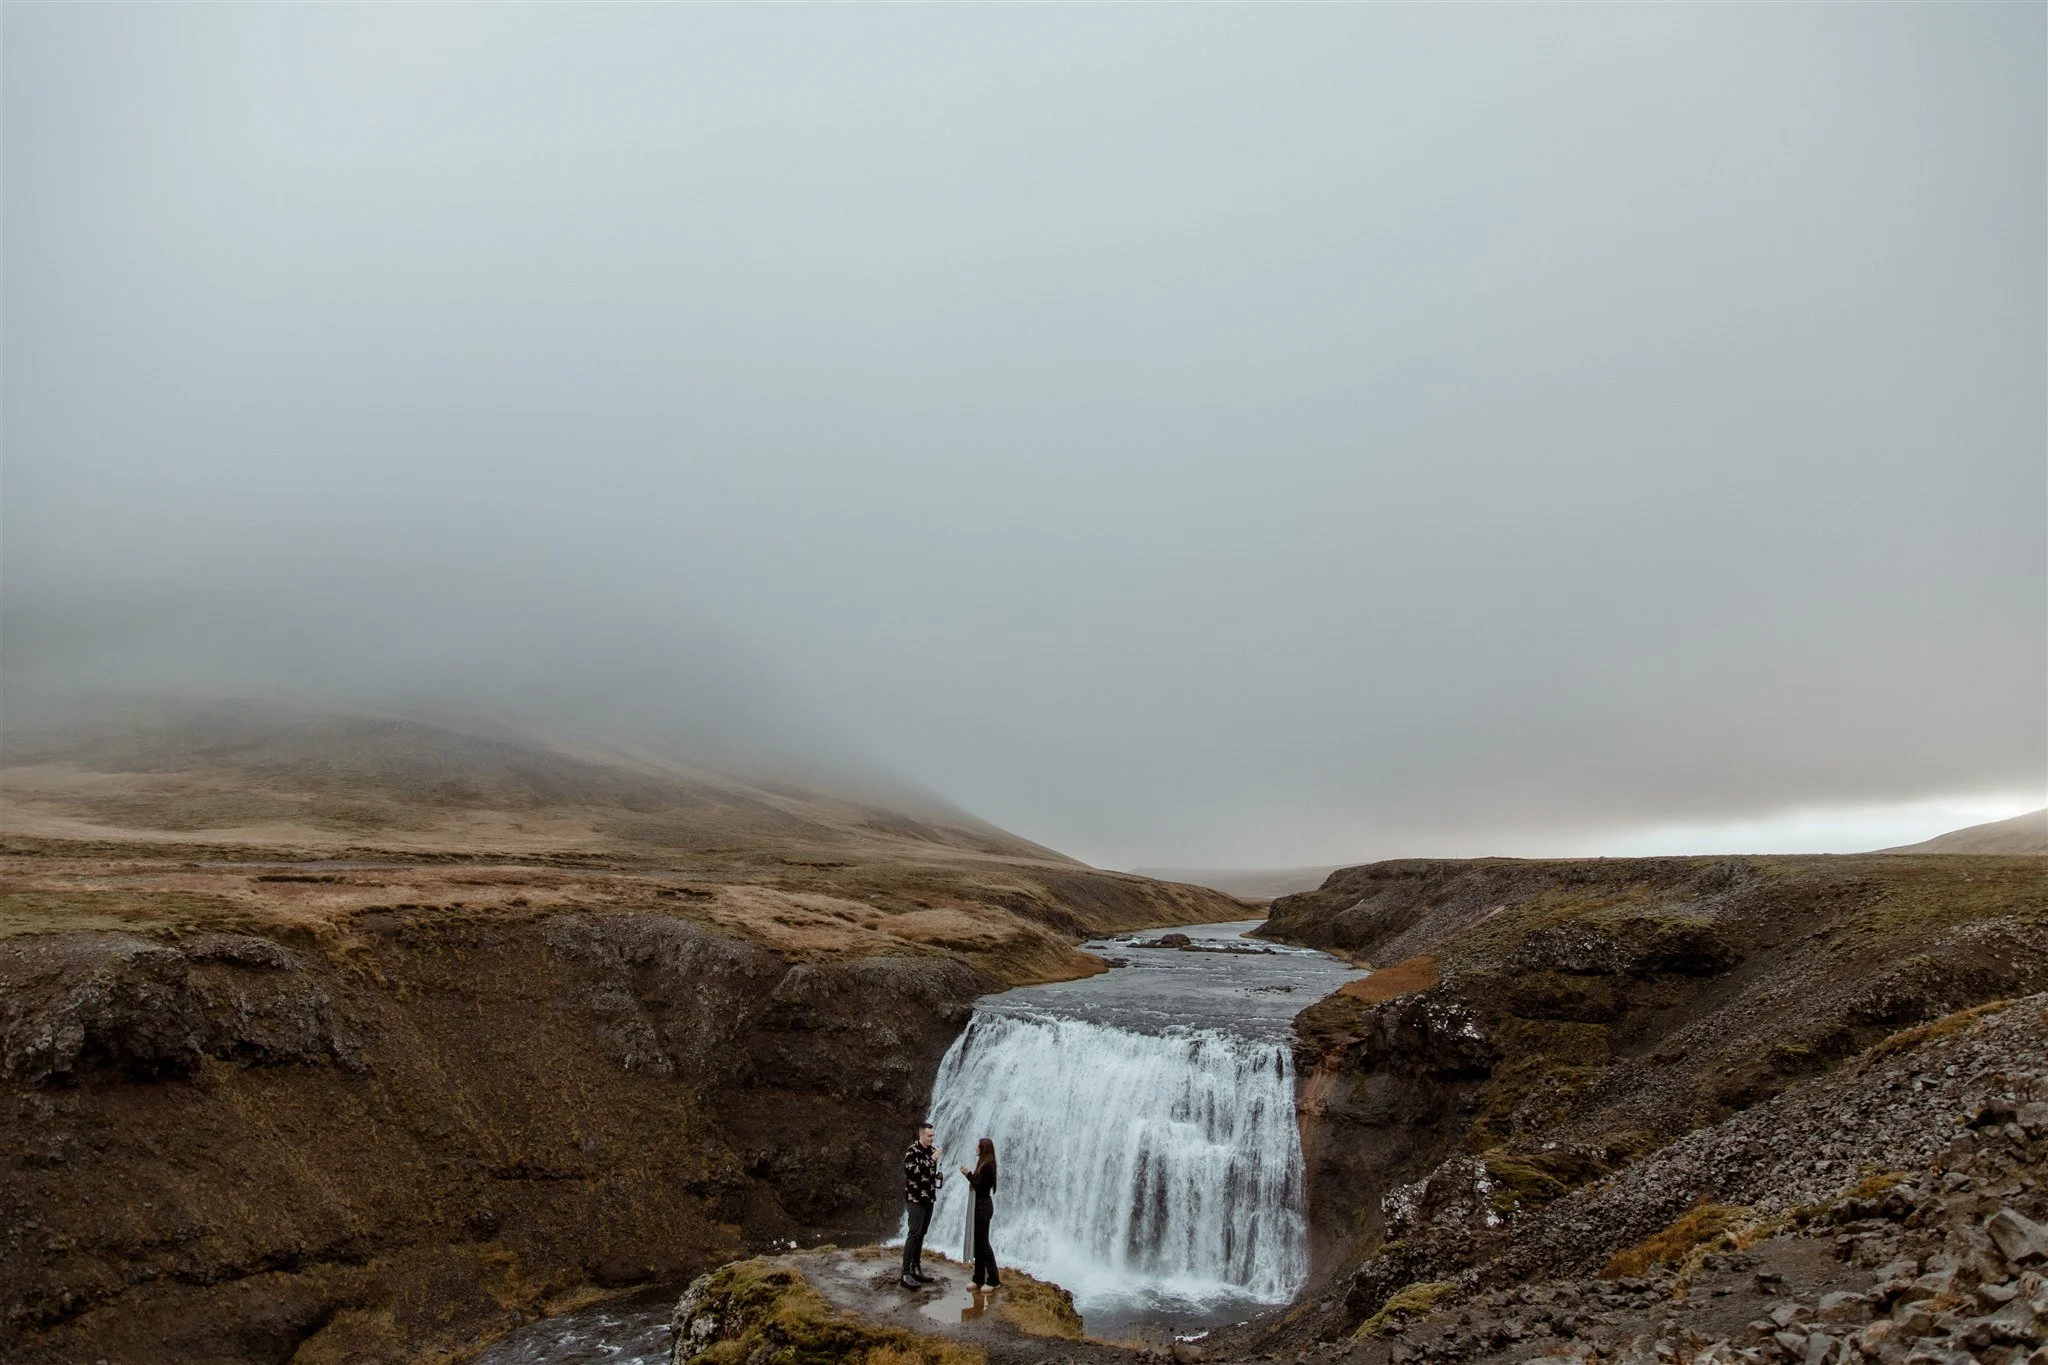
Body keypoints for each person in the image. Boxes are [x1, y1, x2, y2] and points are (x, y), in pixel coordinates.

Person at [899, 1121, 943, 1289]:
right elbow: (912, 1172)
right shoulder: (912, 1151)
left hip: (929, 1198)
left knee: (922, 1233)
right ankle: (905, 1273)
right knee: (913, 1233)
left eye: (933, 1135)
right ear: (921, 1135)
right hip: (915, 1199)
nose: (932, 1138)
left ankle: (916, 1268)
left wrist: (938, 1178)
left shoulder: (932, 1151)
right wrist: (930, 1161)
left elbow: (929, 1174)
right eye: (929, 1136)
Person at [958, 1136, 1000, 1289]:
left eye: (978, 1146)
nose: (975, 1148)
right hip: (979, 1206)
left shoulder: (988, 1166)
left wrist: (968, 1174)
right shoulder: (983, 1164)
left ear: (983, 1149)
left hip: (983, 1206)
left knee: (983, 1243)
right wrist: (970, 1174)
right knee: (978, 1242)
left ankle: (994, 1280)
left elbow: (980, 1187)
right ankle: (978, 1278)